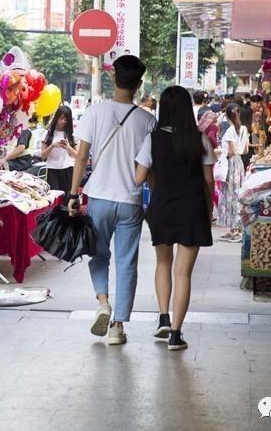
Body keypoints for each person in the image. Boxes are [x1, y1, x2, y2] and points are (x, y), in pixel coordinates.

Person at [67, 55, 156, 345]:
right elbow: (149, 167)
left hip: (99, 197)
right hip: (130, 201)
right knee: (127, 262)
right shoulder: (147, 120)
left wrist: (73, 193)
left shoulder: (96, 111)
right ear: (139, 84)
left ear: (112, 78)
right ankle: (118, 326)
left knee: (98, 254)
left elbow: (81, 156)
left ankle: (103, 302)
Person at [135, 86, 215, 351]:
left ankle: (163, 318)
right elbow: (208, 181)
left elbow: (142, 176)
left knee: (162, 264)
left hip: (162, 207)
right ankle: (176, 335)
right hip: (192, 208)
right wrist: (207, 210)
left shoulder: (152, 139)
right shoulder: (200, 139)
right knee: (184, 273)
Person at [219, 103, 249, 242]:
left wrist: (221, 152)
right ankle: (234, 229)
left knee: (231, 195)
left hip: (231, 164)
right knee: (237, 194)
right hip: (239, 164)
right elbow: (245, 151)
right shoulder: (244, 129)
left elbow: (231, 151)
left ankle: (236, 230)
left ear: (227, 115)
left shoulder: (230, 131)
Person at [41, 105, 77, 195]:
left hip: (68, 168)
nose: (63, 122)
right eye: (61, 118)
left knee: (67, 198)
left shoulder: (71, 134)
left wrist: (68, 147)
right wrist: (52, 146)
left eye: (66, 119)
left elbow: (77, 156)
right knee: (54, 197)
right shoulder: (48, 133)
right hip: (52, 169)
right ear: (56, 118)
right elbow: (43, 156)